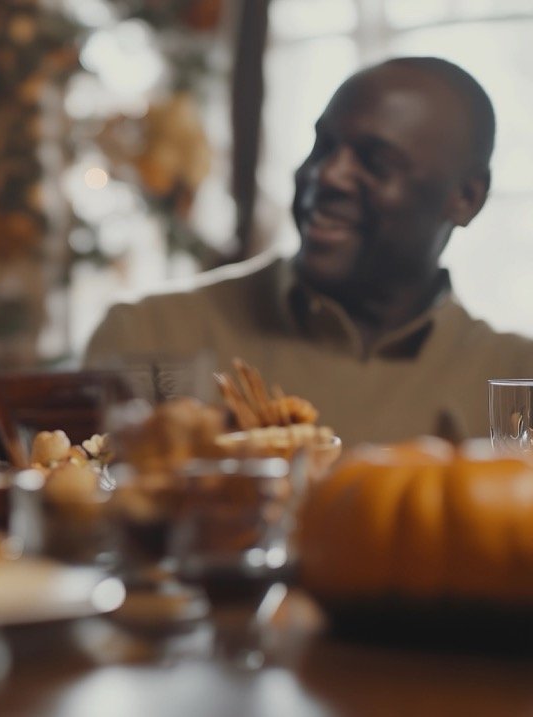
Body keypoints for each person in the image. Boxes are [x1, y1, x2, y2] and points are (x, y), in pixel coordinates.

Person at [84, 57, 533, 445]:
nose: (329, 175)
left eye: (376, 163)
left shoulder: (517, 378)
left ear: (467, 198)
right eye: (323, 146)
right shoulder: (149, 334)